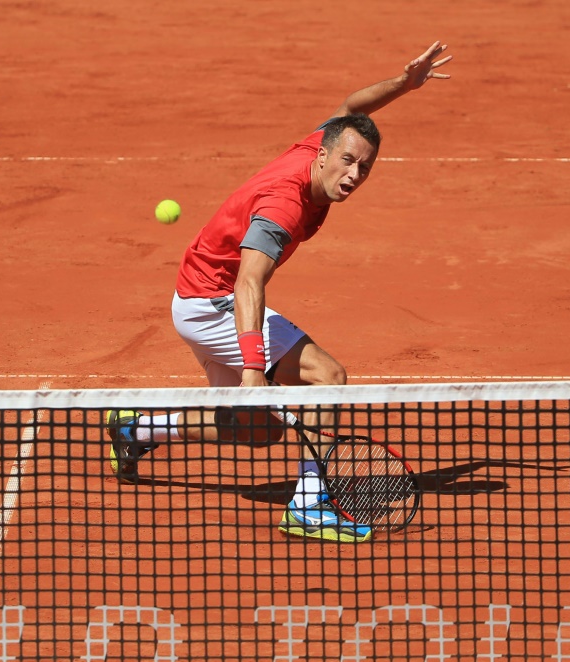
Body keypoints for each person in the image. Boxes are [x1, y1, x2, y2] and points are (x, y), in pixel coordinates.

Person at [107, 42, 453, 543]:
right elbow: (249, 280)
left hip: (195, 298)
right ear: (324, 155)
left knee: (259, 432)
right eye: (347, 163)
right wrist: (253, 370)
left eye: (364, 168)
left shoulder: (319, 145)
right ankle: (310, 505)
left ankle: (135, 431)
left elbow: (353, 110)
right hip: (214, 304)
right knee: (326, 376)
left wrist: (404, 84)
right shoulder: (283, 208)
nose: (353, 176)